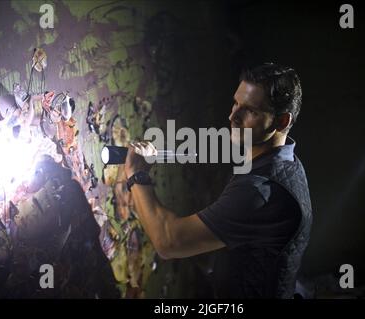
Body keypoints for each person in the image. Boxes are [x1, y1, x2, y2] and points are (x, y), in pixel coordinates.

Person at [124, 63, 312, 298]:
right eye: (235, 103)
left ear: (282, 122)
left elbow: (168, 241)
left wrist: (136, 174)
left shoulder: (259, 190)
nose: (233, 116)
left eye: (251, 111)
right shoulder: (291, 164)